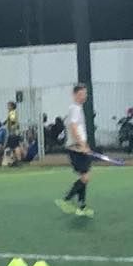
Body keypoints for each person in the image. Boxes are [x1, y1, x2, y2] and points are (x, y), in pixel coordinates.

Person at [55, 83, 95, 217]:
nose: (85, 96)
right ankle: (66, 199)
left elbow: (79, 129)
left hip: (79, 146)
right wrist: (81, 145)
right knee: (85, 177)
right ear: (76, 94)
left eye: (85, 93)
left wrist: (85, 144)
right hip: (76, 148)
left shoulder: (77, 108)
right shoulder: (75, 109)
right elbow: (73, 127)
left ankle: (82, 206)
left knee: (85, 176)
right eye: (82, 94)